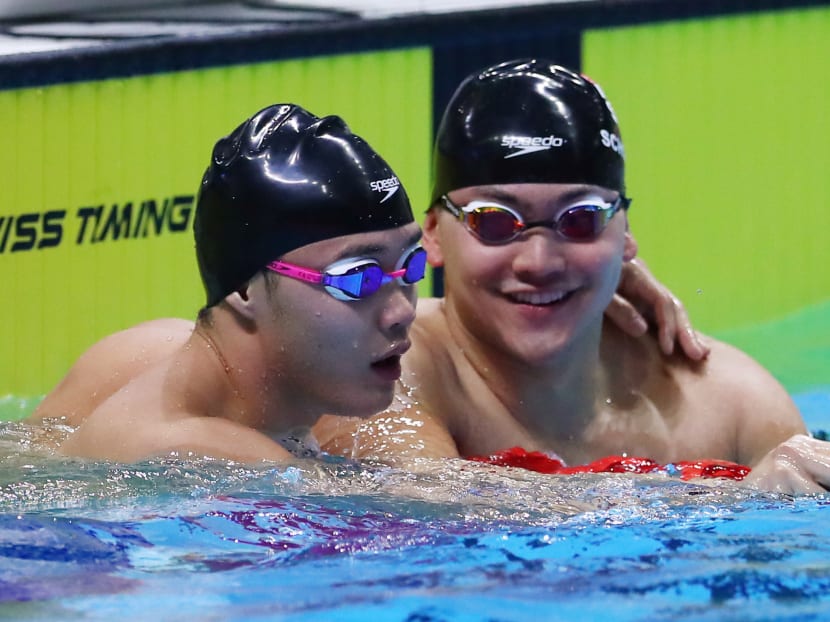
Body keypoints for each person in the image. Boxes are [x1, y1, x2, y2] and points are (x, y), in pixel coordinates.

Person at [313, 59, 830, 494]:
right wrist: (738, 506)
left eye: (579, 220)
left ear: (625, 236)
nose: (538, 262)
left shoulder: (734, 404)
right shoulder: (383, 370)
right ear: (432, 233)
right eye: (494, 222)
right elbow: (425, 505)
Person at [30, 103, 425, 462]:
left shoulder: (146, 351)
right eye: (358, 277)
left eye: (411, 265)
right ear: (243, 288)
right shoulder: (215, 462)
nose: (402, 311)